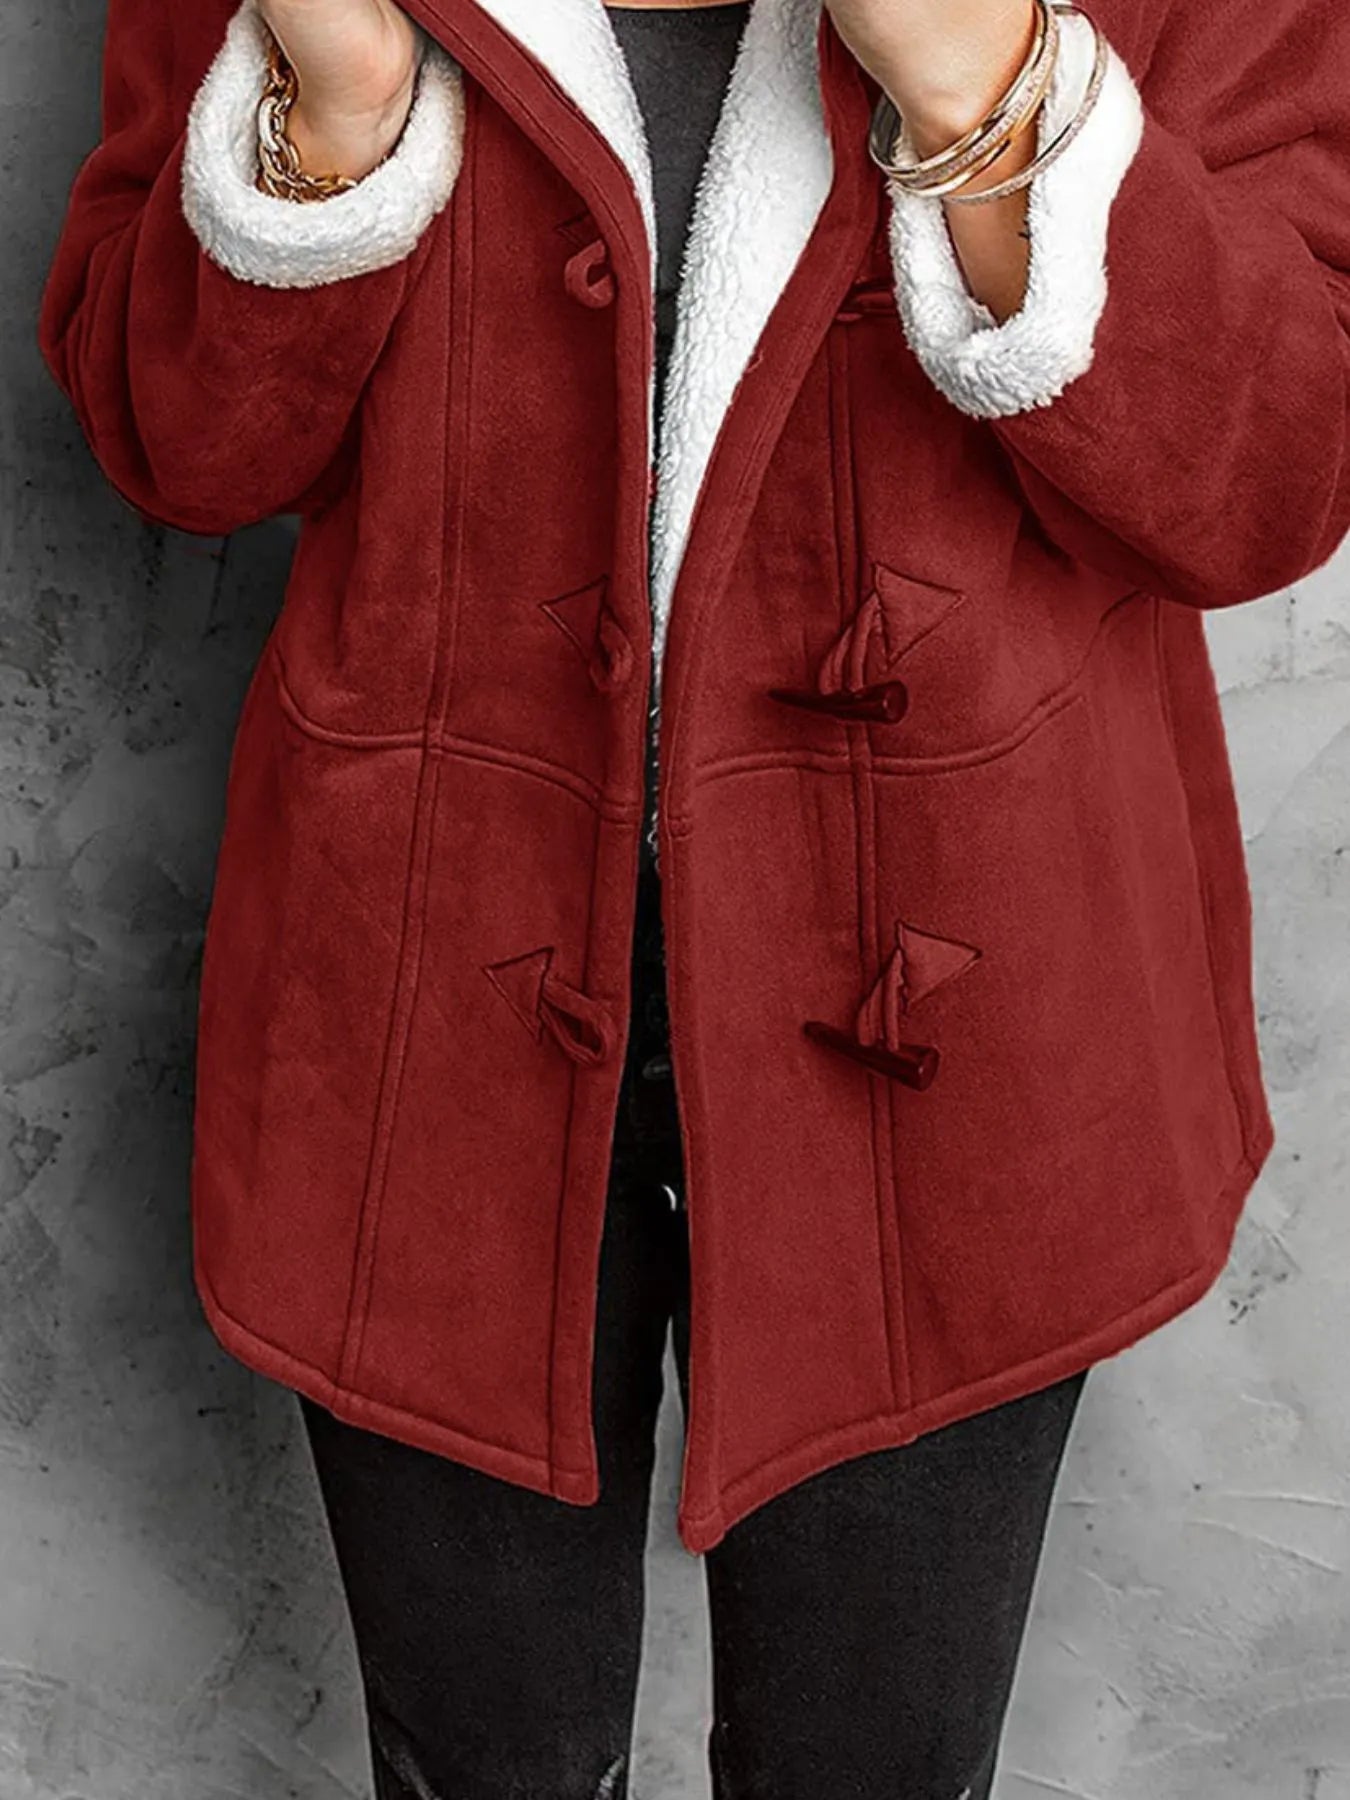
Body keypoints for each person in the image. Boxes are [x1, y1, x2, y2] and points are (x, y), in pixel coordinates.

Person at [37, 0, 1350, 1794]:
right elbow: (175, 444)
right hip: (418, 1016)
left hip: (968, 1028)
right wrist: (327, 108)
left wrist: (986, 85)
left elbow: (1274, 474)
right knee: (480, 1766)